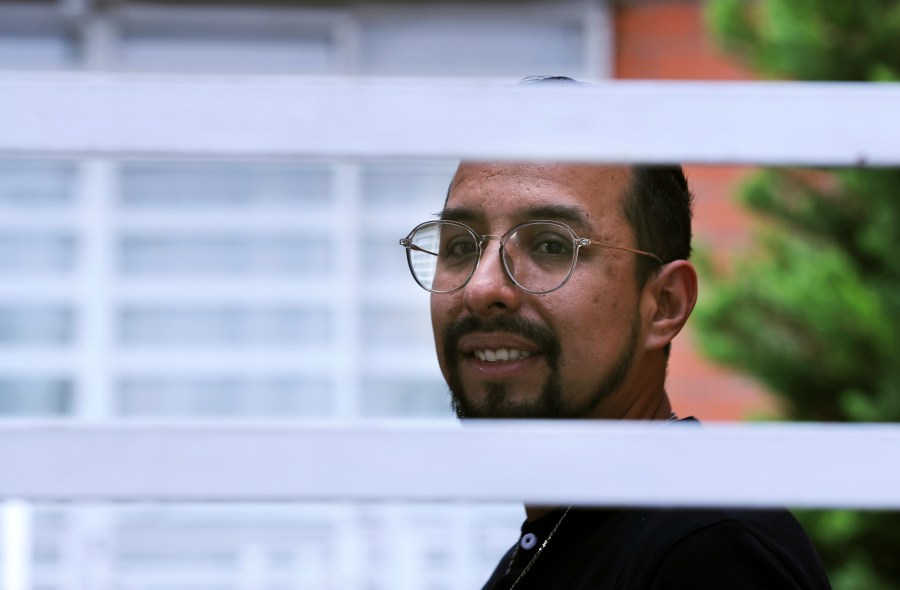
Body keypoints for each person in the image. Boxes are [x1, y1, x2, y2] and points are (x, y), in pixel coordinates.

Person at [398, 109, 831, 587]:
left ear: (664, 305)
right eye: (460, 246)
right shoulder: (549, 548)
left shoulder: (708, 552)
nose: (481, 287)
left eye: (549, 245)